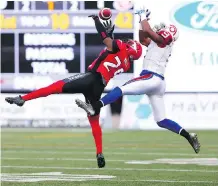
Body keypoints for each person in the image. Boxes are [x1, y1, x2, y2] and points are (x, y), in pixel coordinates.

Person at [5, 14, 142, 168]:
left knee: (53, 87)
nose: (128, 42)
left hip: (90, 78)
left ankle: (23, 98)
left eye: (130, 43)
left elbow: (106, 41)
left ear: (131, 48)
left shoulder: (120, 46)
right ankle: (99, 152)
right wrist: (110, 34)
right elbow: (111, 52)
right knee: (94, 120)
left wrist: (97, 21)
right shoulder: (126, 65)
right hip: (99, 86)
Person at [75, 7, 201, 154]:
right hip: (158, 83)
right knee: (161, 120)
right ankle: (188, 136)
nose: (159, 29)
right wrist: (142, 22)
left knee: (120, 89)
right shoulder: (159, 43)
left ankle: (95, 107)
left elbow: (151, 32)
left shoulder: (163, 40)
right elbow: (143, 38)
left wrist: (143, 18)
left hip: (151, 77)